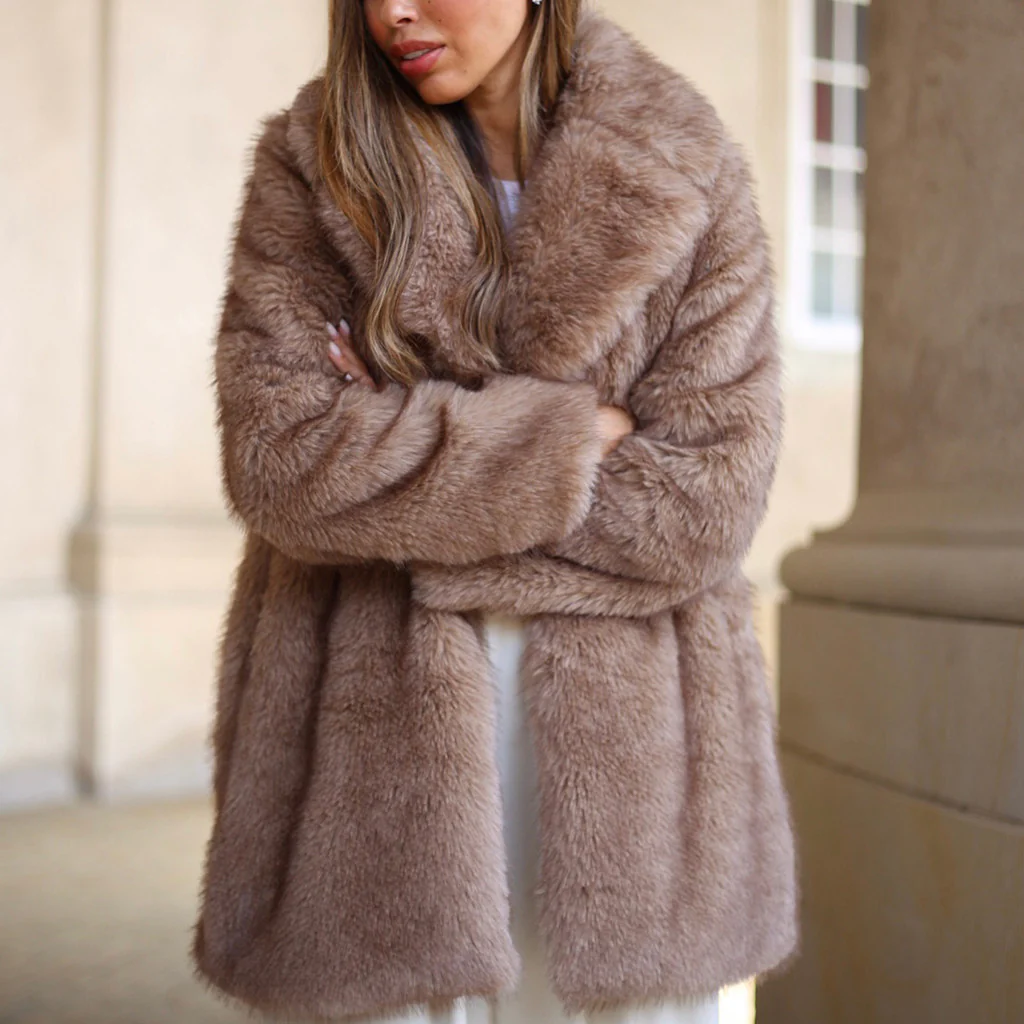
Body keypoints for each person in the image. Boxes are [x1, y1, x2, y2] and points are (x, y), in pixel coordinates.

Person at [192, 0, 798, 1022]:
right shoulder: (316, 162)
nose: (393, 12)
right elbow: (284, 463)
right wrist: (571, 440)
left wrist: (405, 458)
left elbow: (702, 503)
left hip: (632, 755)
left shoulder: (685, 162)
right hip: (372, 743)